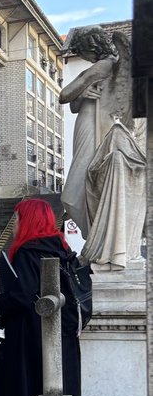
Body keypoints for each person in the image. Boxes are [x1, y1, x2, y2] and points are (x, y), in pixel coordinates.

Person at [0, 198, 82, 396]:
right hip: (60, 337)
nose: (14, 225)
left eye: (17, 219)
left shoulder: (26, 252)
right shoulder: (63, 249)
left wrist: (1, 302)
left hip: (29, 338)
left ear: (28, 221)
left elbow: (22, 296)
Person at [59, 26, 145, 271]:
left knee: (75, 191)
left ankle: (99, 242)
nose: (83, 57)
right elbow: (73, 104)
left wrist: (79, 90)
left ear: (91, 47)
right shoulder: (104, 68)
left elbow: (64, 94)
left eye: (83, 52)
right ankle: (97, 241)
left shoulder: (103, 66)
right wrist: (83, 94)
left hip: (96, 126)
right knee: (86, 187)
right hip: (89, 121)